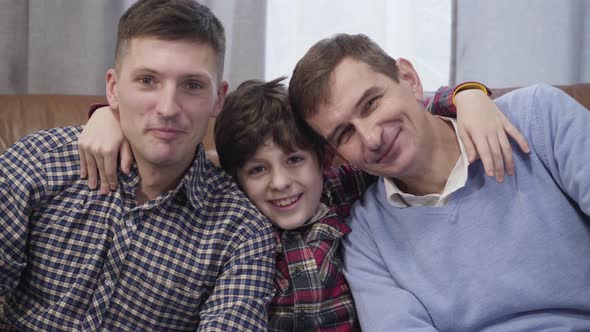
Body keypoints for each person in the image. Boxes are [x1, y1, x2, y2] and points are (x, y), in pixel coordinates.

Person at [78, 76, 528, 331]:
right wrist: (107, 115)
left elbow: (405, 112)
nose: (281, 183)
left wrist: (468, 95)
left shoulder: (342, 185)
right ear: (235, 178)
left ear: (324, 157)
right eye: (257, 170)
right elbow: (163, 152)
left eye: (294, 159)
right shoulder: (225, 219)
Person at [0, 0, 275, 331]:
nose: (168, 108)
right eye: (147, 80)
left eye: (192, 85)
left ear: (219, 98)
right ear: (113, 89)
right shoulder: (39, 163)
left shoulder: (241, 231)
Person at [288, 33, 590, 331]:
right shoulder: (365, 237)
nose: (371, 137)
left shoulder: (537, 116)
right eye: (345, 134)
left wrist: (469, 93)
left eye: (371, 104)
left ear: (409, 79)